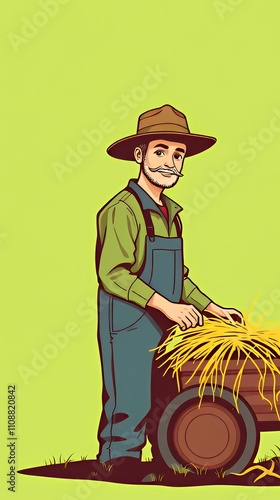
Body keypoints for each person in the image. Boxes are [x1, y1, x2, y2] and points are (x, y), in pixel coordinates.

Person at [95, 104, 242, 468]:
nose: (170, 163)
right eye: (160, 151)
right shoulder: (122, 210)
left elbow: (180, 277)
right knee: (130, 398)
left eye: (179, 155)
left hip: (165, 325)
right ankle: (119, 464)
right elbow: (113, 274)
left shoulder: (171, 214)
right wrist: (167, 306)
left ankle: (165, 464)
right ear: (139, 154)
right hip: (128, 323)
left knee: (165, 396)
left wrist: (213, 308)